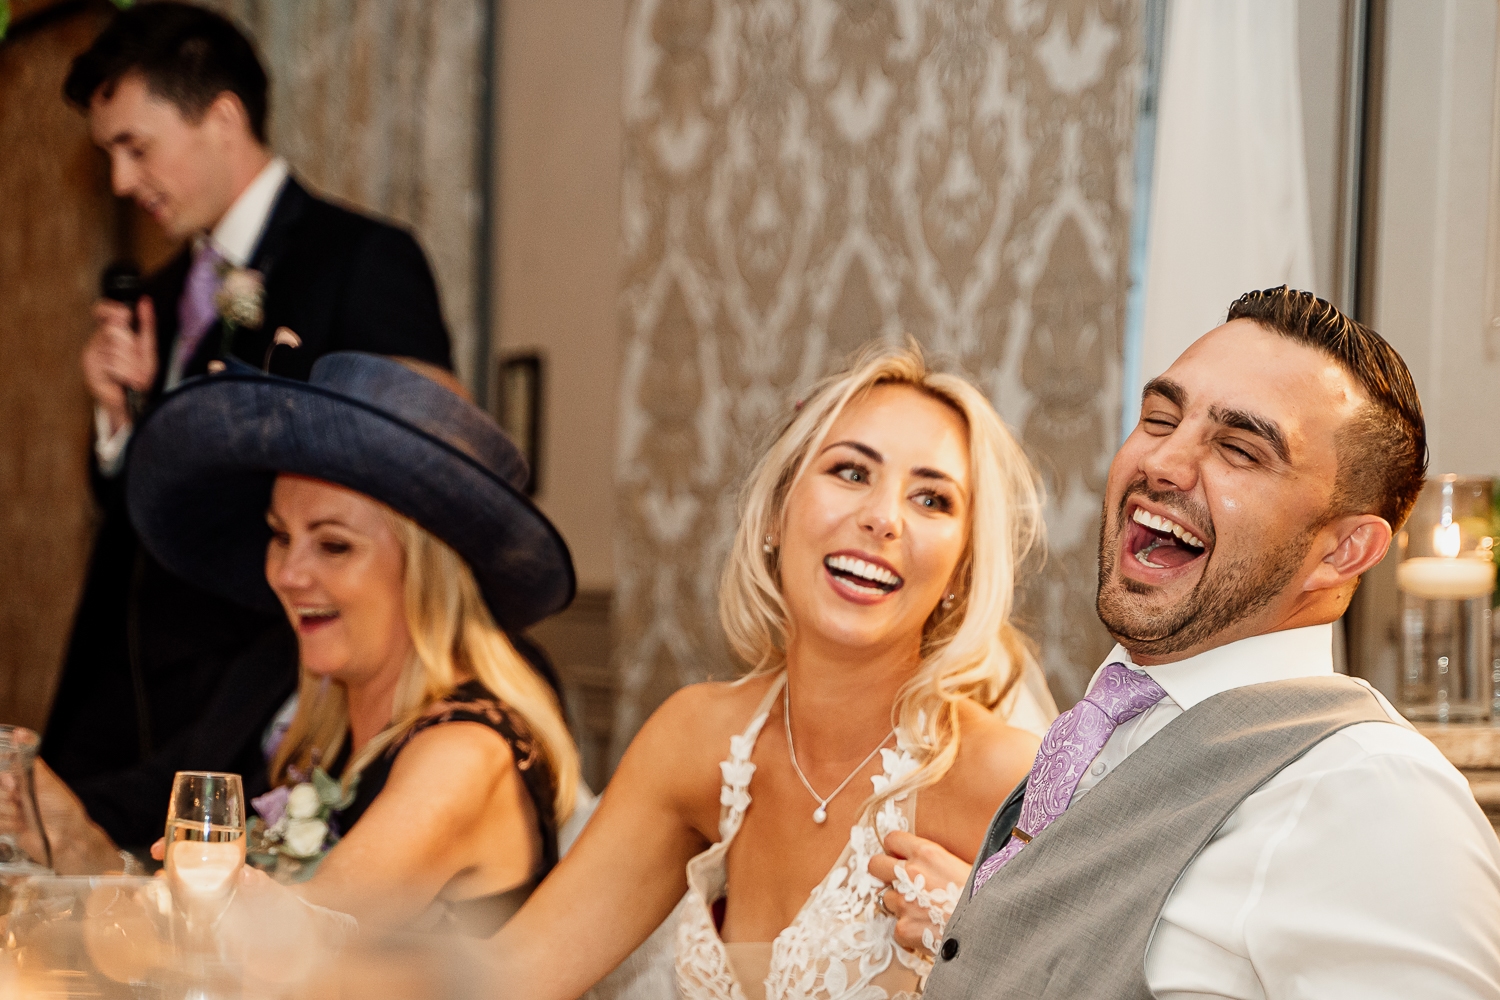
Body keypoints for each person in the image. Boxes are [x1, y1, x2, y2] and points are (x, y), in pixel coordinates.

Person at [887, 287, 1500, 999]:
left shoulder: (1372, 798)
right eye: (1159, 418)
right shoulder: (1107, 725)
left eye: (1239, 449)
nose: (1164, 462)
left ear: (1343, 551)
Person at [492, 345, 1055, 1000]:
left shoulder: (1006, 780)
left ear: (961, 570)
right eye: (851, 471)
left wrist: (994, 956)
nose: (883, 517)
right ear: (774, 516)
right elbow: (512, 976)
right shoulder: (698, 739)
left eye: (932, 499)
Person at [43, 1, 452, 850]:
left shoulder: (360, 259)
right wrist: (120, 428)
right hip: (119, 705)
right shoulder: (159, 294)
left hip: (257, 703)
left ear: (223, 118)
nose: (121, 181)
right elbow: (141, 514)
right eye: (110, 154)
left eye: (136, 147)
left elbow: (416, 474)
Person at [11, 352, 579, 935]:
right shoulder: (321, 738)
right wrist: (66, 834)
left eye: (333, 546)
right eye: (280, 536)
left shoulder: (463, 755)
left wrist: (126, 888)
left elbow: (293, 946)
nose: (286, 574)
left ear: (428, 575)